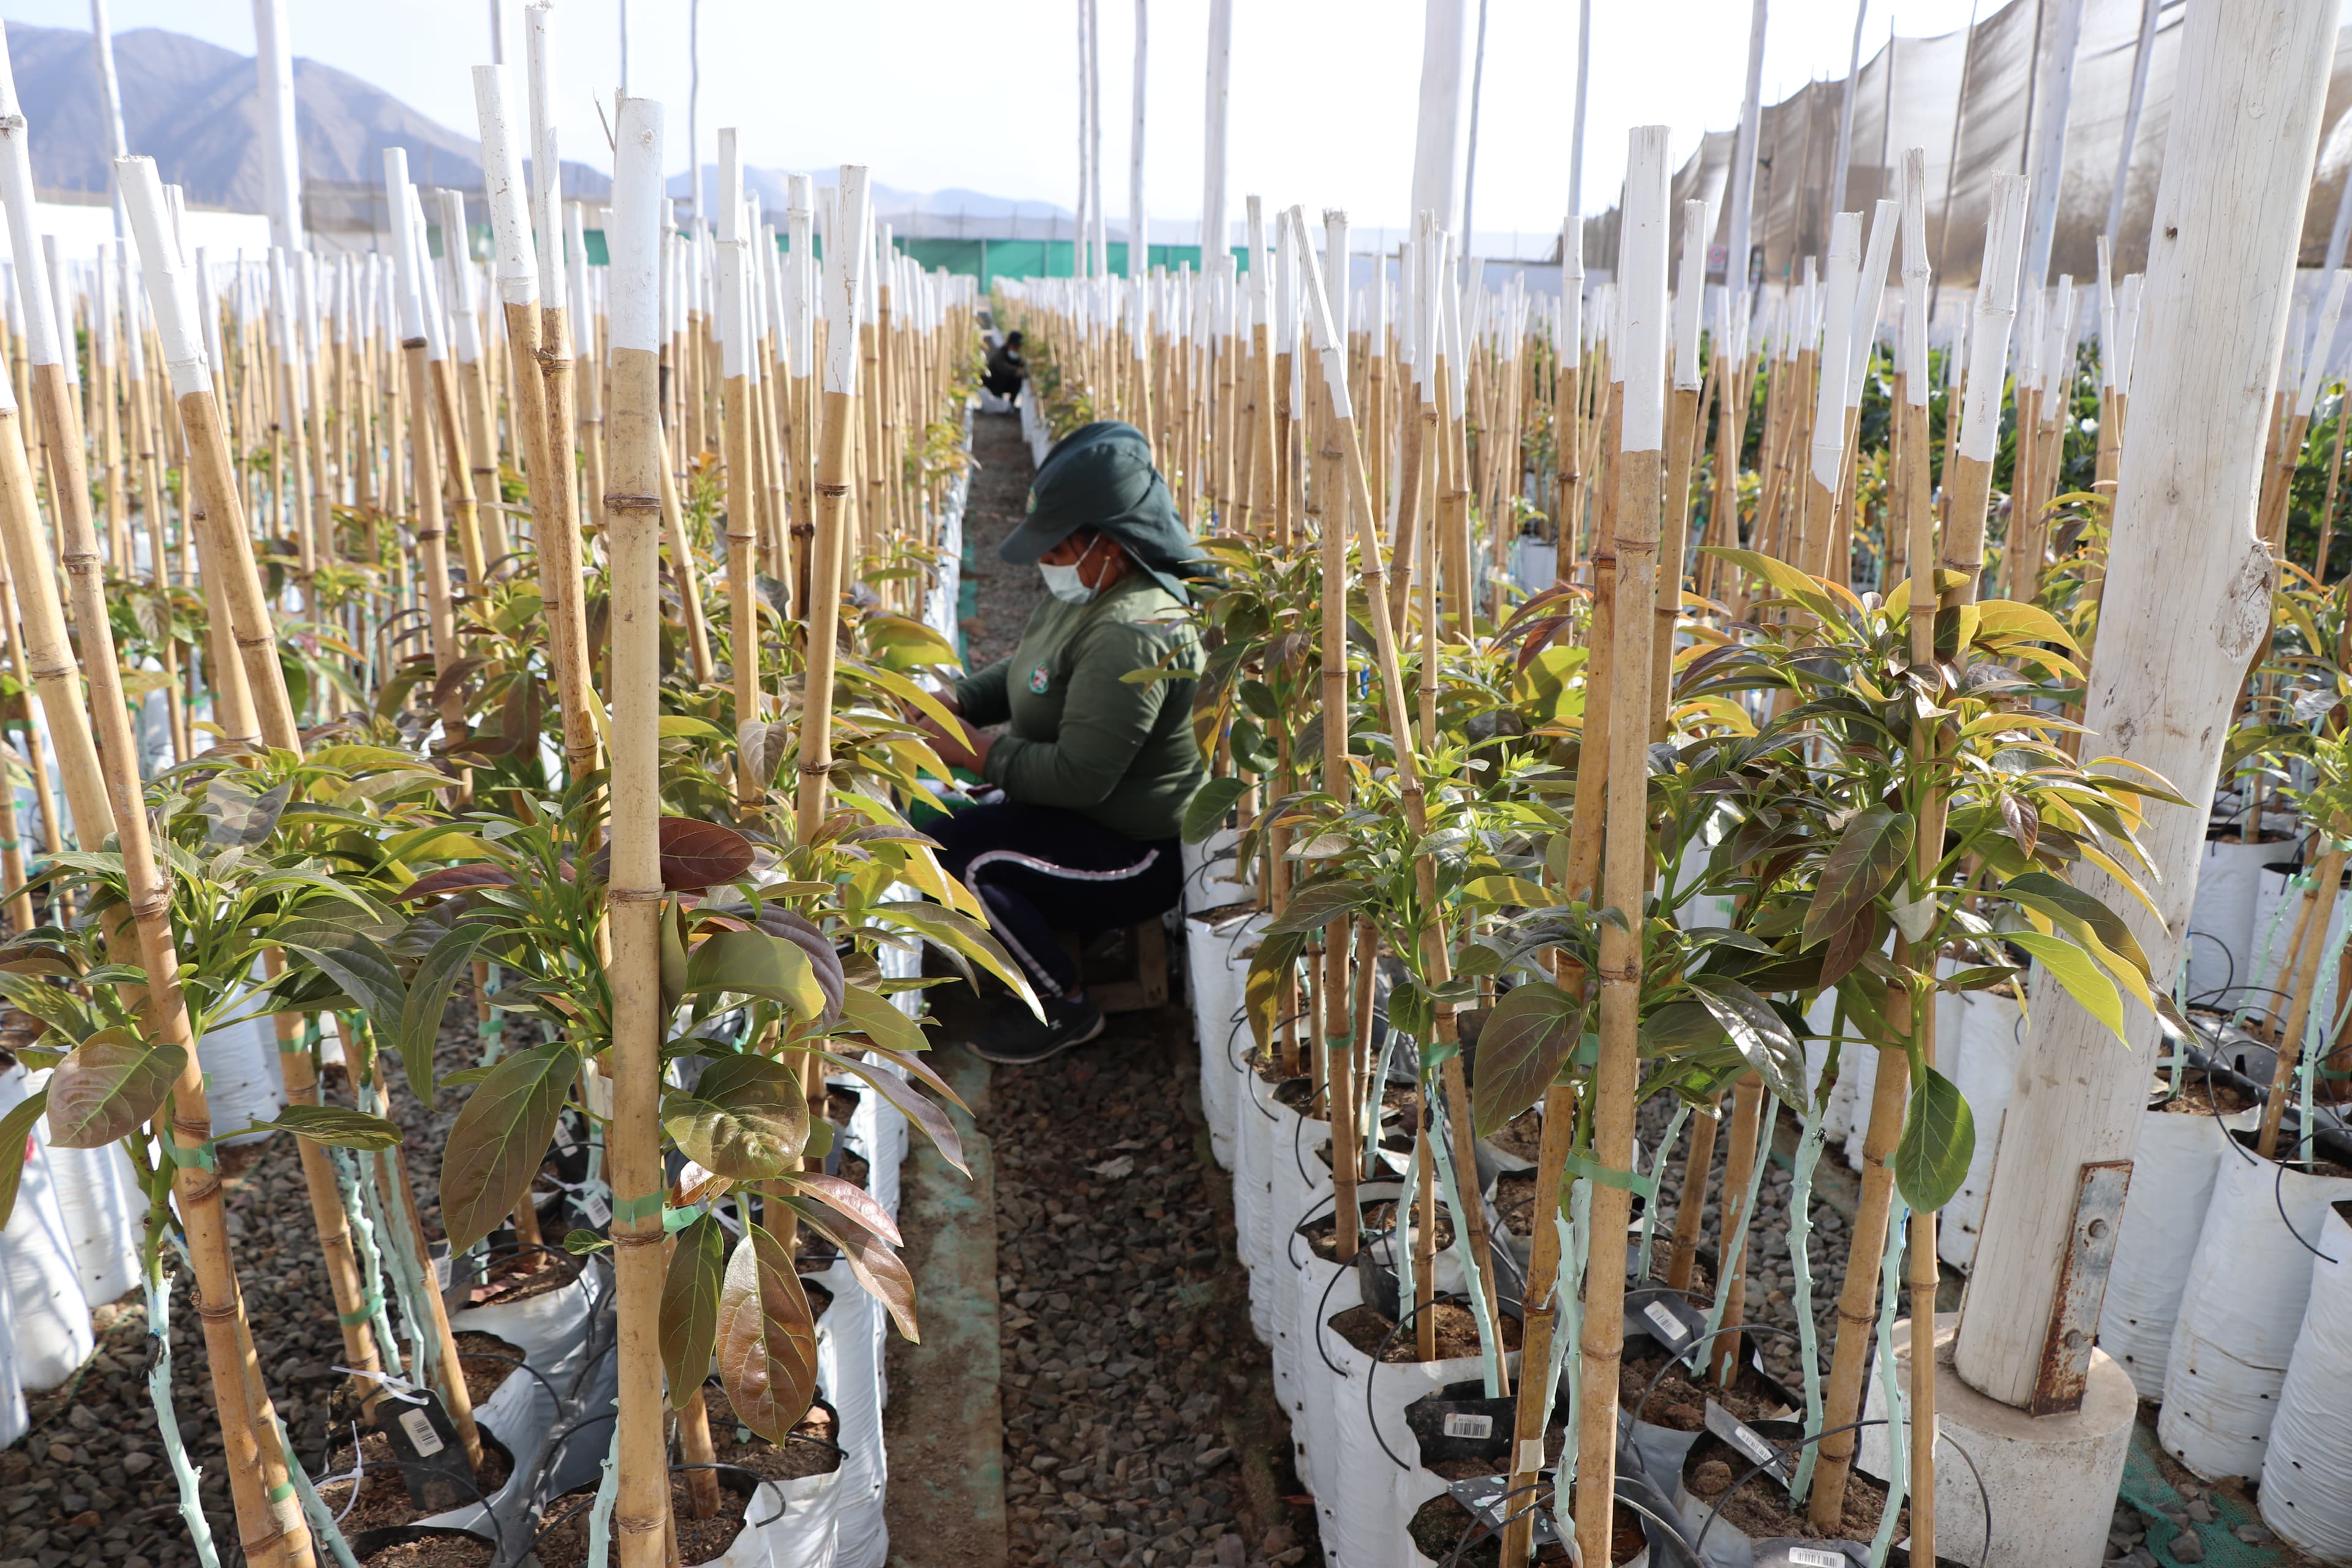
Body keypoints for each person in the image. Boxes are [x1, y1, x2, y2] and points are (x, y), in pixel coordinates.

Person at [922, 421, 1205, 1063]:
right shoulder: (1090, 590)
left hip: (1128, 849)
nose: (1048, 562)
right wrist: (962, 700)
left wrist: (974, 749)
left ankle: (1065, 1006)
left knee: (968, 863)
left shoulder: (1134, 630)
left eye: (1057, 548)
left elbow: (1080, 777)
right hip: (1073, 816)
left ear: (1108, 543)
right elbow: (1029, 667)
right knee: (947, 830)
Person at [983, 330, 1027, 404]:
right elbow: (1001, 366)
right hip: (994, 383)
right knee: (1000, 377)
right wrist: (1016, 371)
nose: (1016, 349)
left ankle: (1010, 404)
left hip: (1008, 384)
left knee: (1018, 380)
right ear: (1009, 344)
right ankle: (998, 403)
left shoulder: (1020, 358)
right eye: (1014, 346)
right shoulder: (1001, 353)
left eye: (1018, 347)